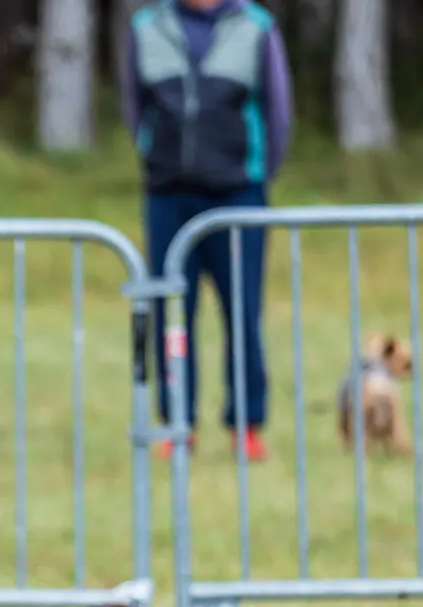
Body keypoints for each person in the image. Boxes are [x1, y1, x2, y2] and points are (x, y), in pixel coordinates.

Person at [123, 0, 293, 461]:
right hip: (168, 194)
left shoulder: (256, 27)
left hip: (238, 193)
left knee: (242, 309)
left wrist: (256, 174)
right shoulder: (147, 27)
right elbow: (135, 106)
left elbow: (277, 110)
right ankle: (178, 423)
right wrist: (155, 158)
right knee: (172, 312)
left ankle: (246, 424)